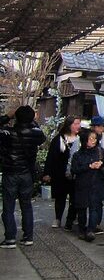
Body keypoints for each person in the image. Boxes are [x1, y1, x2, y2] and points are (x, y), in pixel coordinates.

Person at [0, 105, 47, 248]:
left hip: (10, 173)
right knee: (26, 206)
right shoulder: (36, 134)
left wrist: (8, 116)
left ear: (17, 117)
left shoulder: (7, 133)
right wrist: (31, 120)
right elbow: (41, 134)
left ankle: (10, 238)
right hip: (26, 173)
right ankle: (28, 237)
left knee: (8, 206)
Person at [67, 115, 104, 233]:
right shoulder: (79, 153)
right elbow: (74, 168)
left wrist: (101, 163)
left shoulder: (100, 148)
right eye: (91, 139)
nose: (93, 141)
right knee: (82, 208)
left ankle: (92, 229)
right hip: (82, 184)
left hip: (96, 182)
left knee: (95, 207)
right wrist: (89, 166)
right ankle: (81, 229)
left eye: (94, 139)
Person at [42, 115, 81, 229]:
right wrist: (47, 173)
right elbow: (51, 157)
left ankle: (71, 220)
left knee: (75, 198)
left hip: (76, 173)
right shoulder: (58, 139)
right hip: (60, 173)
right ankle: (58, 218)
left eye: (79, 123)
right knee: (60, 197)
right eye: (76, 123)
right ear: (69, 125)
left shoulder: (81, 139)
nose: (78, 126)